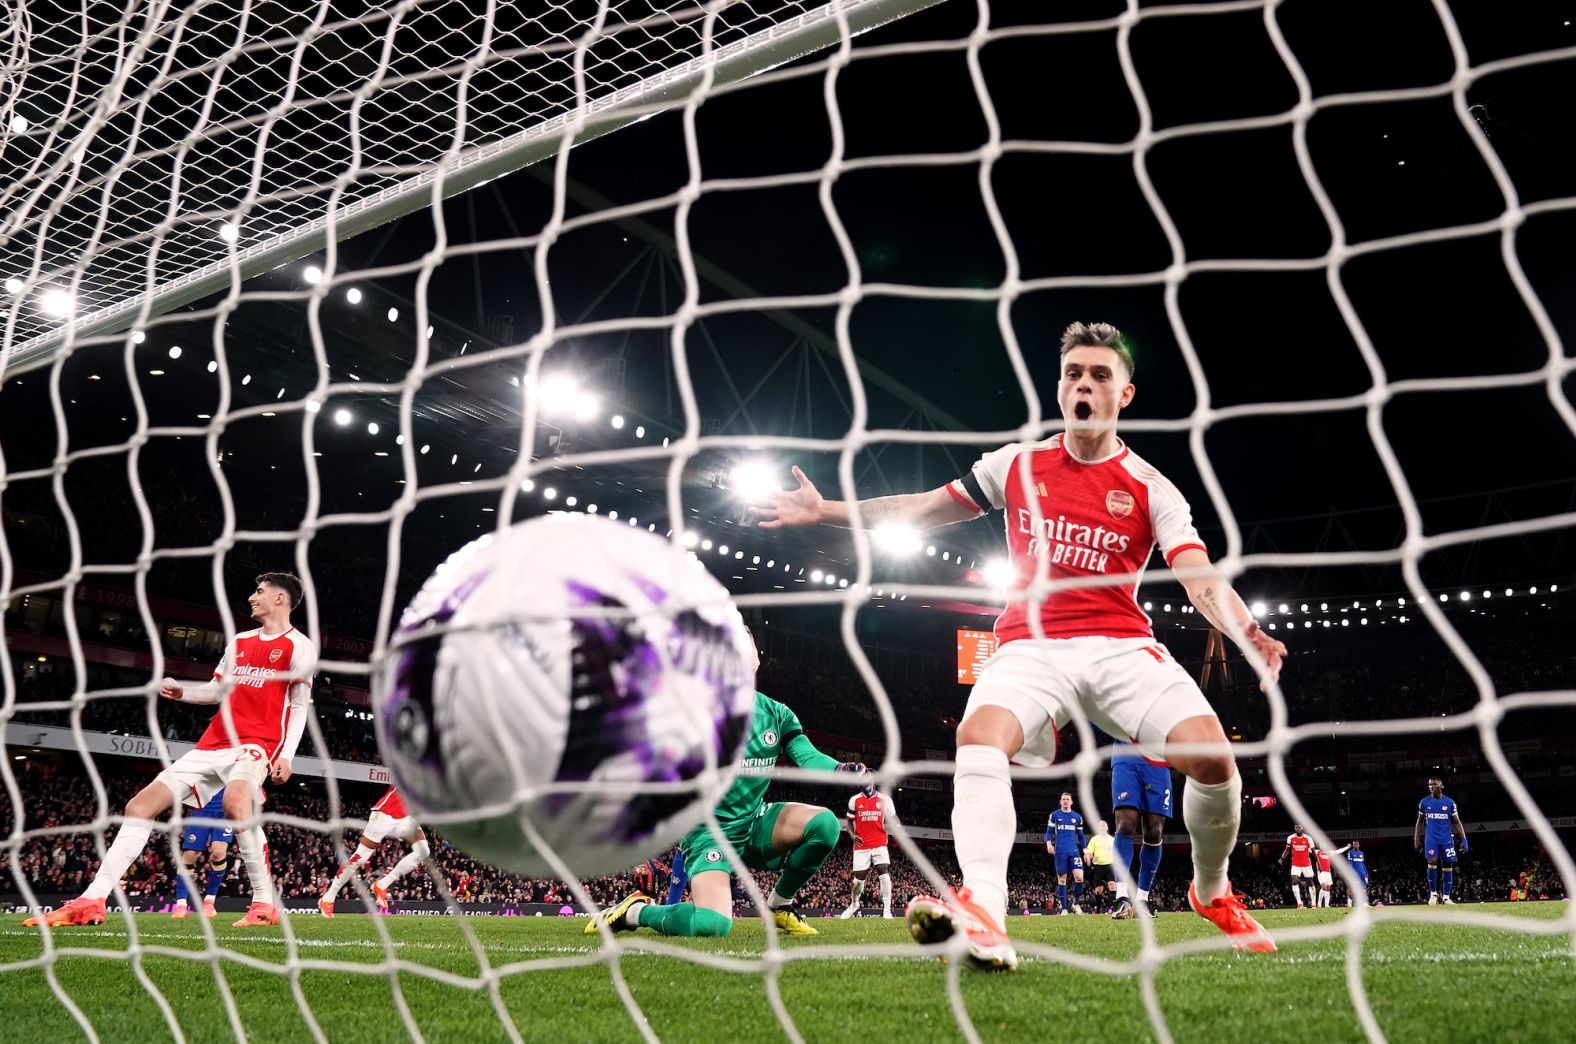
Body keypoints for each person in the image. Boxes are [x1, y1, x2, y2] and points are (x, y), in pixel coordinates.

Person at [755, 322, 1285, 966]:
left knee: (1214, 761)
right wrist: (829, 511)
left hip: (1119, 645)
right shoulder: (1017, 464)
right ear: (1060, 389)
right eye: (1073, 374)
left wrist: (1244, 630)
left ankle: (1211, 890)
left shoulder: (1151, 487)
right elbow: (922, 509)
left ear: (1125, 394)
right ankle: (982, 908)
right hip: (1029, 645)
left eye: (1099, 376)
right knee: (978, 739)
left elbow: (1198, 576)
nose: (1084, 385)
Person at [25, 573, 314, 929]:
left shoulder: (299, 646)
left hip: (257, 744)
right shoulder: (239, 641)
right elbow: (217, 691)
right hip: (213, 742)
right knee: (139, 806)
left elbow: (299, 705)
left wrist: (287, 754)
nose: (253, 598)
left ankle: (263, 904)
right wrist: (183, 693)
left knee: (236, 805)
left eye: (260, 592)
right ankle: (93, 899)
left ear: (280, 599)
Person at [586, 640, 866, 939]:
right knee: (713, 925)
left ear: (756, 659)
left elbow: (808, 757)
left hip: (754, 822)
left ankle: (778, 906)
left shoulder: (777, 714)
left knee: (824, 825)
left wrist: (839, 769)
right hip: (709, 832)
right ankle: (635, 912)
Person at [319, 786, 431, 916]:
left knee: (423, 851)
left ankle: (382, 885)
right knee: (359, 858)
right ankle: (328, 898)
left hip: (405, 817)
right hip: (386, 813)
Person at [1108, 737, 1171, 920]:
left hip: (1157, 760)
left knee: (1154, 831)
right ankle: (1121, 898)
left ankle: (1142, 899)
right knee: (1125, 824)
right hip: (1125, 756)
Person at [171, 788, 236, 919]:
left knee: (218, 853)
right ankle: (181, 904)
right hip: (201, 810)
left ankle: (209, 901)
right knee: (190, 854)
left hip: (225, 811)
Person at [840, 779, 896, 919]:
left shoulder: (885, 799)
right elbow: (848, 821)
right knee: (859, 879)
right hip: (861, 845)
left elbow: (893, 818)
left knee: (883, 869)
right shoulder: (855, 800)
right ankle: (854, 904)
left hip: (879, 842)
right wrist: (852, 836)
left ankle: (887, 910)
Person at [1414, 777, 1467, 905]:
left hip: (1446, 839)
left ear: (1441, 786)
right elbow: (1419, 822)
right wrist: (1416, 838)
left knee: (1448, 865)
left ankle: (1447, 897)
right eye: (1430, 784)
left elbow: (1456, 822)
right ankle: (1433, 895)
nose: (1431, 786)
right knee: (1432, 861)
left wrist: (1464, 839)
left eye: (1434, 784)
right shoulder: (1424, 802)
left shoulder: (1449, 802)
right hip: (1431, 838)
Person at [1045, 792, 1086, 914]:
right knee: (1062, 879)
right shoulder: (1055, 815)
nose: (1065, 801)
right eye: (1063, 799)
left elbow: (1081, 836)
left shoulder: (1077, 817)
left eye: (1068, 799)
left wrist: (1085, 850)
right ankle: (1064, 908)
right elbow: (1049, 832)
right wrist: (1048, 844)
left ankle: (1076, 903)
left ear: (1071, 802)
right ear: (1060, 801)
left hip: (1073, 851)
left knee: (1079, 878)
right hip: (1060, 851)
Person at [1082, 819, 1117, 913]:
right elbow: (1088, 852)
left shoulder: (1112, 839)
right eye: (1100, 826)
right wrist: (1091, 857)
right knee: (1098, 889)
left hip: (1110, 865)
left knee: (1112, 885)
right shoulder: (1094, 839)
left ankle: (1113, 908)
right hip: (1098, 867)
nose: (1102, 827)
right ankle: (1099, 908)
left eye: (1103, 825)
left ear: (1107, 827)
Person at [1279, 825, 1315, 909]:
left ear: (1302, 828)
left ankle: (1313, 903)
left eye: (1299, 827)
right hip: (1295, 864)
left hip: (1307, 864)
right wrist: (1282, 858)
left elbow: (1313, 851)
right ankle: (1299, 904)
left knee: (1310, 882)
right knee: (1294, 881)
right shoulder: (1290, 838)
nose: (1297, 829)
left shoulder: (1308, 838)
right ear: (1294, 828)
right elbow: (1287, 850)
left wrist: (1319, 863)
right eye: (1296, 827)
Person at [1331, 842, 1366, 906]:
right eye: (1354, 844)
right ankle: (1349, 899)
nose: (1356, 845)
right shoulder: (1350, 852)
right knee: (1350, 886)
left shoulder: (1361, 853)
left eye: (1357, 844)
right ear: (1353, 845)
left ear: (1359, 845)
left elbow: (1362, 863)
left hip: (1360, 873)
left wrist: (1365, 872)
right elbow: (1350, 863)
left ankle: (1360, 901)